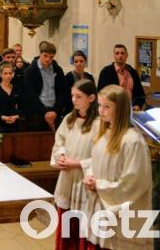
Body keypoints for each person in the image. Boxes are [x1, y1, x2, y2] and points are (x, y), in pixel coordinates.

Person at [81, 85, 154, 249]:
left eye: (107, 106)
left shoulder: (132, 141)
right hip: (101, 204)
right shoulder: (103, 134)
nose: (101, 110)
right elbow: (94, 162)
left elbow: (134, 183)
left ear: (120, 109)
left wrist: (98, 185)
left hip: (122, 213)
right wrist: (90, 176)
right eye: (100, 105)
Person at [50, 79, 101, 249]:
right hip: (67, 178)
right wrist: (61, 156)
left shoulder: (99, 124)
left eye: (79, 96)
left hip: (86, 181)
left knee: (83, 228)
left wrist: (79, 163)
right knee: (67, 225)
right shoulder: (69, 119)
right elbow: (59, 141)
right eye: (72, 96)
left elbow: (103, 156)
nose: (74, 100)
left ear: (92, 98)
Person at [23, 42, 67, 131]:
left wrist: (55, 111)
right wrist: (45, 113)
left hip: (54, 111)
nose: (48, 59)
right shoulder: (30, 71)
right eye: (45, 56)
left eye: (51, 57)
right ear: (40, 53)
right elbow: (31, 94)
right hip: (37, 112)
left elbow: (63, 91)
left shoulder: (58, 69)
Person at [97, 44, 146, 110]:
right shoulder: (106, 72)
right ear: (114, 56)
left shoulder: (133, 72)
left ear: (127, 55)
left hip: (131, 109)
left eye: (122, 53)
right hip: (114, 110)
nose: (120, 56)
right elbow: (101, 93)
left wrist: (138, 105)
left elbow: (140, 94)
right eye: (117, 53)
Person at [0, 62, 26, 133]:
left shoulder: (17, 89)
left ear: (13, 74)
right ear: (0, 74)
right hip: (0, 125)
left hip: (15, 124)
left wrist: (16, 116)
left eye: (10, 73)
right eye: (5, 73)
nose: (8, 76)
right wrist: (2, 117)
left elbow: (23, 106)